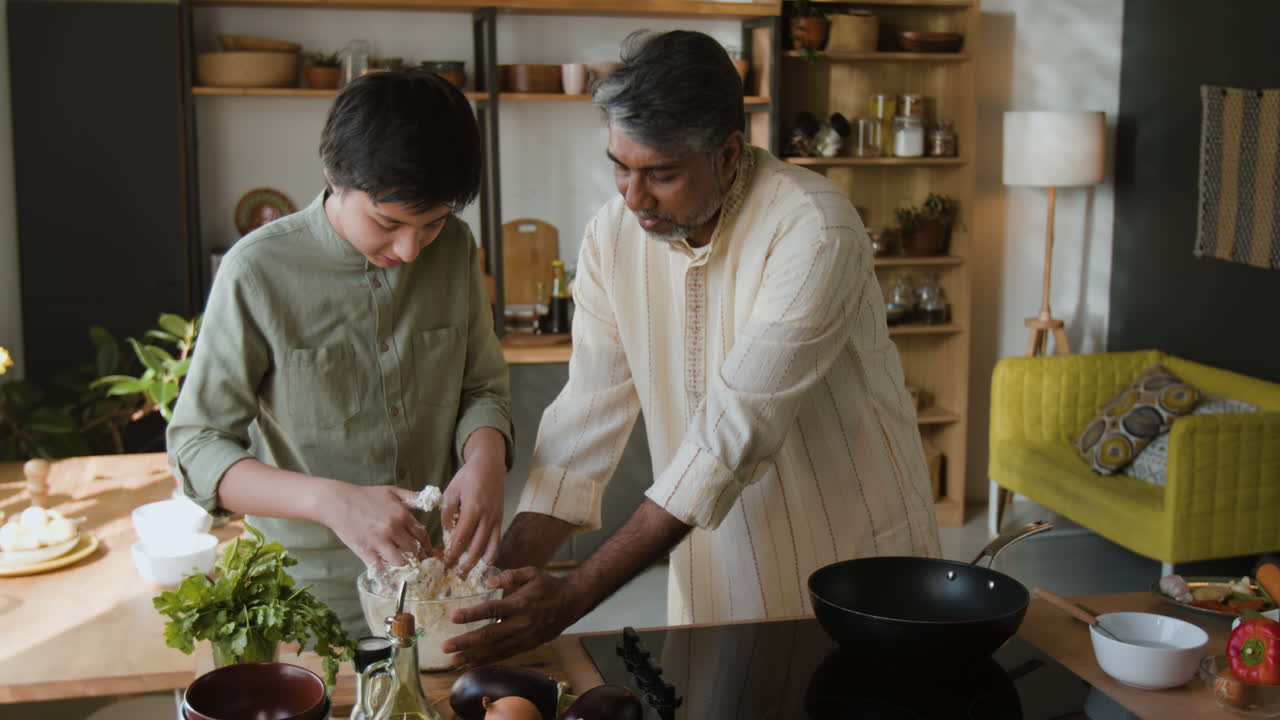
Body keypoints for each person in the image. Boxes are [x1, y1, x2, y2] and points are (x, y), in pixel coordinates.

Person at [444, 30, 940, 666]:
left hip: (856, 563)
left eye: (662, 174)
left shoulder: (813, 229)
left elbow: (729, 435)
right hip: (717, 569)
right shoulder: (610, 236)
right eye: (619, 166)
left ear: (729, 155)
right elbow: (587, 416)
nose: (633, 196)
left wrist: (569, 598)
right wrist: (485, 585)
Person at [167, 68, 513, 637]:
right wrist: (331, 500)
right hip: (308, 601)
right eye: (387, 223)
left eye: (431, 224)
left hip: (439, 590)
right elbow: (196, 448)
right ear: (333, 176)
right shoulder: (257, 271)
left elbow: (481, 389)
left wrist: (485, 459)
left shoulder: (454, 250)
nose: (408, 249)